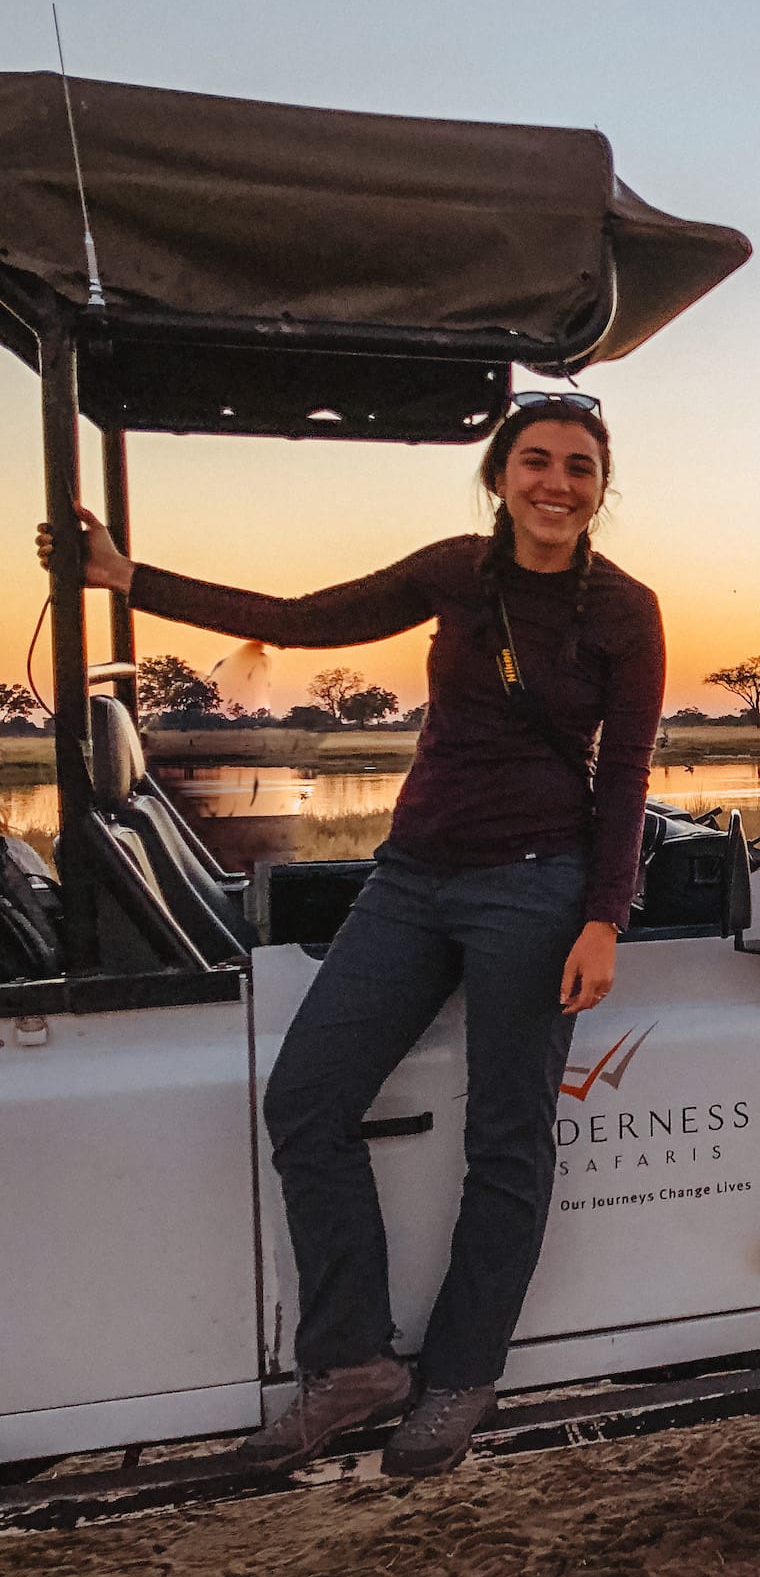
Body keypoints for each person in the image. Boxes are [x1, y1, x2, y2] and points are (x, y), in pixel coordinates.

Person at [38, 393, 666, 1476]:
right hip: (415, 875)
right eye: (535, 463)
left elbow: (624, 776)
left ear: (602, 488)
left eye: (578, 467)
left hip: (533, 887)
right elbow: (297, 617)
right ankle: (353, 1364)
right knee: (306, 1099)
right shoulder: (451, 573)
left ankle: (461, 1374)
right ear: (498, 477)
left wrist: (604, 917)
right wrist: (127, 578)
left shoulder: (623, 609)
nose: (556, 484)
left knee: (507, 1140)